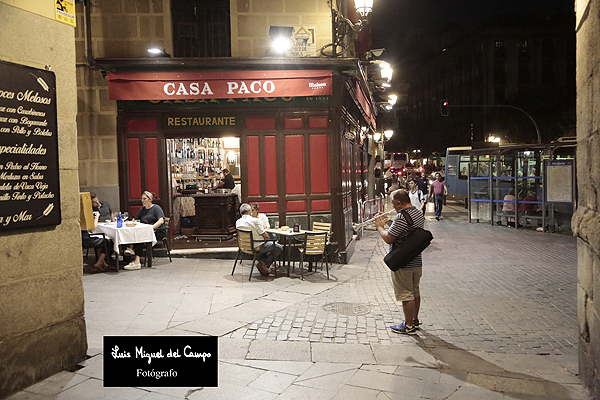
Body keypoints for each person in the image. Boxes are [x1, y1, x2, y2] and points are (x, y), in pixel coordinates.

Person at [374, 189, 425, 335]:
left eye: (393, 203)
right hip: (416, 260)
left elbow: (389, 238)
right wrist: (389, 221)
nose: (393, 206)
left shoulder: (402, 216)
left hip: (403, 262)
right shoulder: (417, 213)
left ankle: (408, 326)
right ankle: (414, 320)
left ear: (398, 203)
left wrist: (379, 226)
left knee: (406, 294)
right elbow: (405, 230)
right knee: (415, 291)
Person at [236, 203, 283, 276]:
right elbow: (264, 235)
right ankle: (264, 264)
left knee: (270, 244)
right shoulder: (255, 221)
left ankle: (263, 263)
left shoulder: (238, 222)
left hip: (244, 246)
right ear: (249, 211)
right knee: (279, 248)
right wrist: (269, 240)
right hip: (258, 246)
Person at [124, 191, 166, 270]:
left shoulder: (156, 208)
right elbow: (135, 219)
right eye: (141, 199)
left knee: (140, 237)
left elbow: (161, 220)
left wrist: (151, 228)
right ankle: (130, 250)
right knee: (134, 234)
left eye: (144, 198)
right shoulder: (142, 209)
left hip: (157, 230)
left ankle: (136, 260)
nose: (142, 200)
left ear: (150, 199)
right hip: (145, 231)